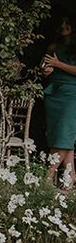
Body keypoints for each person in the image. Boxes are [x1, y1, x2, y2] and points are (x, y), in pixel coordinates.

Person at [41, 14, 76, 185]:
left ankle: (48, 177)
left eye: (67, 22)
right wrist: (47, 70)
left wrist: (58, 64)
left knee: (64, 133)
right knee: (63, 137)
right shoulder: (54, 46)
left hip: (72, 93)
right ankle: (70, 178)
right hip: (54, 93)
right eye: (62, 22)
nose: (64, 25)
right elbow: (45, 67)